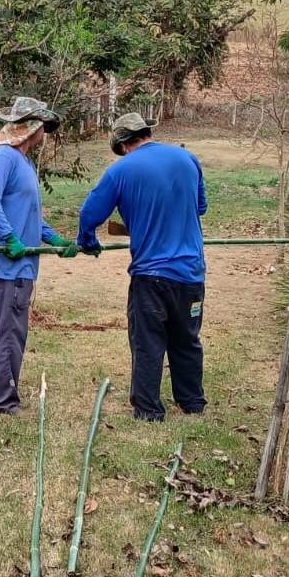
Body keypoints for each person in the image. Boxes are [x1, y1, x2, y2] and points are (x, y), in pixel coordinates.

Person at [77, 112, 207, 422]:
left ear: (123, 144)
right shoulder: (188, 159)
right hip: (191, 273)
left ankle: (149, 410)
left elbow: (89, 214)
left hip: (151, 275)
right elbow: (200, 206)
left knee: (148, 341)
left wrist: (87, 240)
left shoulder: (120, 170)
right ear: (147, 133)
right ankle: (192, 402)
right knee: (186, 338)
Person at [0, 96, 77, 413]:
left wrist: (53, 238)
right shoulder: (4, 157)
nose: (46, 133)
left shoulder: (24, 161)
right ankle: (3, 401)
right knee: (9, 333)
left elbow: (25, 211)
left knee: (1, 330)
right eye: (43, 127)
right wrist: (9, 237)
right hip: (10, 265)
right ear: (32, 128)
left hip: (18, 263)